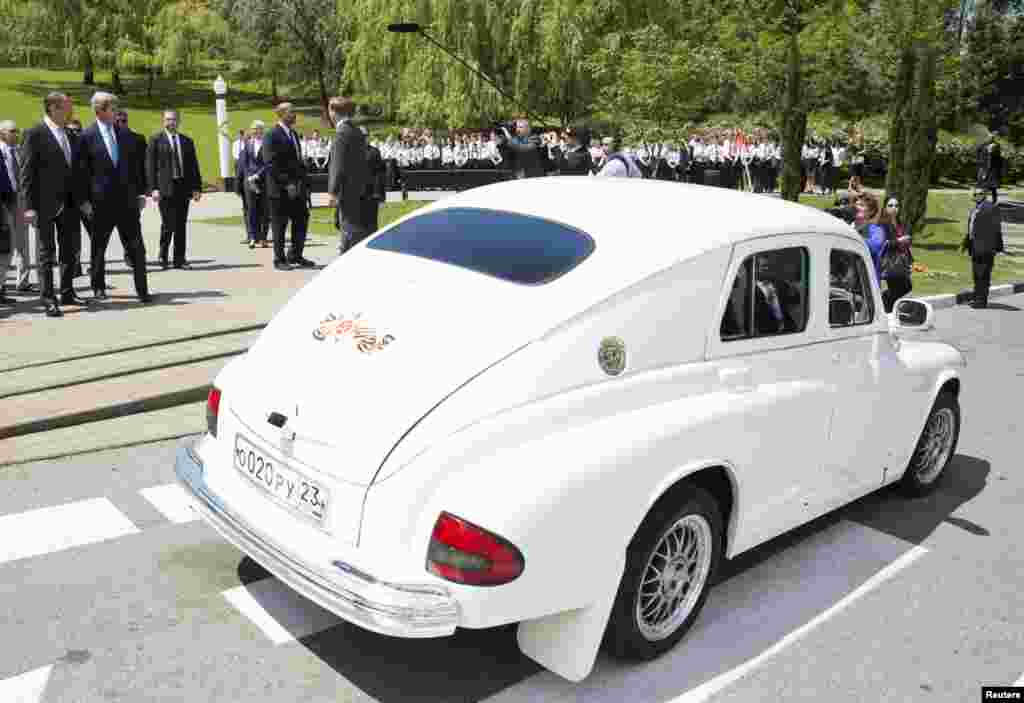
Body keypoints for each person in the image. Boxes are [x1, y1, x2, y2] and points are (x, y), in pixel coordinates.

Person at [19, 91, 89, 317]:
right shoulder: (34, 133)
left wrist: (83, 201)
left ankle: (67, 292)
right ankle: (48, 298)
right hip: (44, 205)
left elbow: (77, 172)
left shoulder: (70, 134)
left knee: (69, 252)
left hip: (69, 204)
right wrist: (29, 207)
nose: (72, 111)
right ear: (54, 108)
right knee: (46, 254)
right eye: (68, 107)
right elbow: (26, 173)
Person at [78, 92, 151, 303]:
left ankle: (142, 289)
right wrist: (83, 201)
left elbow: (136, 167)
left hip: (127, 203)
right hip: (100, 204)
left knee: (137, 248)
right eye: (112, 107)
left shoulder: (125, 135)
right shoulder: (86, 137)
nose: (116, 111)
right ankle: (98, 287)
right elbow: (80, 172)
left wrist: (140, 193)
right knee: (99, 249)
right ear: (99, 110)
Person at [147, 109, 202, 270]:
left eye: (174, 119)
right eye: (168, 119)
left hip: (182, 188)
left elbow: (193, 166)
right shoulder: (155, 140)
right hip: (164, 188)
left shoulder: (186, 141)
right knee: (167, 224)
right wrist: (153, 189)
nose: (171, 122)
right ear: (163, 121)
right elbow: (150, 166)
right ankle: (163, 256)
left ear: (178, 121)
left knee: (181, 225)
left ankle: (180, 259)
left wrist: (196, 188)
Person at [264, 102, 314, 270]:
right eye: (292, 112)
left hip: (298, 188)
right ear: (282, 114)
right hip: (280, 189)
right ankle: (279, 259)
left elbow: (297, 162)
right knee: (280, 224)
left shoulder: (293, 134)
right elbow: (271, 164)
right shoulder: (272, 135)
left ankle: (296, 254)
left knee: (301, 220)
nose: (295, 115)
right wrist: (287, 183)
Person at [327, 96, 369, 255]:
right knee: (352, 225)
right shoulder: (355, 130)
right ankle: (347, 252)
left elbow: (338, 165)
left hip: (346, 188)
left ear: (334, 112)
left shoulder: (342, 132)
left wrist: (332, 191)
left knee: (348, 226)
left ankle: (347, 256)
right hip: (358, 186)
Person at [0, 119, 36, 295]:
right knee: (6, 244)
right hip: (4, 202)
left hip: (20, 201)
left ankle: (23, 281)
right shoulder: (1, 151)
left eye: (17, 131)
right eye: (13, 131)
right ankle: (2, 285)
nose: (17, 134)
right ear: (2, 133)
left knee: (23, 243)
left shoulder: (20, 152)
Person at [114, 108, 147, 272]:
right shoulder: (108, 140)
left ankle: (135, 256)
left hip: (132, 192)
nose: (120, 124)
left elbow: (144, 167)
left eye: (123, 121)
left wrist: (143, 192)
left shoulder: (138, 140)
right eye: (117, 121)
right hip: (111, 193)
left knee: (133, 227)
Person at [961, 189, 1004, 309]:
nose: (974, 196)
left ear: (983, 195)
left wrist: (997, 247)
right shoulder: (976, 208)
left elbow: (996, 228)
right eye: (974, 194)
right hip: (975, 246)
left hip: (986, 247)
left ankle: (981, 301)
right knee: (976, 273)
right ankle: (976, 297)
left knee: (983, 274)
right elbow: (972, 226)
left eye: (977, 194)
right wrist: (967, 242)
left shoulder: (991, 207)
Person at [238, 120, 269, 249]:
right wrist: (248, 178)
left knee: (264, 211)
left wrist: (258, 175)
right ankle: (252, 237)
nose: (257, 131)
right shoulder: (248, 144)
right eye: (254, 129)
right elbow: (244, 163)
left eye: (259, 129)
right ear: (251, 131)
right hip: (249, 182)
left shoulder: (267, 144)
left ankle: (263, 238)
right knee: (251, 210)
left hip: (264, 181)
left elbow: (269, 163)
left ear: (263, 130)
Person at [879, 197, 912, 312]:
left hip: (902, 261)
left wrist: (910, 259)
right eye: (891, 205)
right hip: (891, 261)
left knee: (906, 287)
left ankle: (888, 309)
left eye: (896, 205)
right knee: (898, 289)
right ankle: (885, 304)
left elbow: (905, 241)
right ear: (885, 208)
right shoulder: (883, 224)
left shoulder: (899, 222)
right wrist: (899, 240)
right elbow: (884, 244)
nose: (894, 208)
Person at [359, 126, 387, 239]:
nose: (364, 138)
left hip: (371, 193)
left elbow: (380, 174)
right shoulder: (351, 151)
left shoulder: (374, 152)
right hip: (356, 193)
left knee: (371, 222)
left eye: (365, 136)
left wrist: (379, 193)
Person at [976, 135, 1003, 204]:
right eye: (989, 138)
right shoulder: (984, 146)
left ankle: (993, 201)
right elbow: (978, 150)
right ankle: (981, 200)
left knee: (991, 187)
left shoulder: (996, 146)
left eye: (991, 138)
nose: (990, 139)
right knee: (984, 186)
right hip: (986, 168)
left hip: (992, 169)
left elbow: (997, 159)